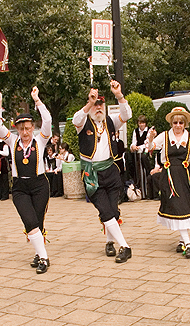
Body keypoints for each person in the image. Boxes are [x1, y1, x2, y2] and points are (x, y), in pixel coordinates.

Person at [0, 86, 52, 274]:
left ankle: (37, 251)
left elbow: (48, 120)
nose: (25, 132)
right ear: (17, 129)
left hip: (40, 184)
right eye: (21, 129)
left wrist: (37, 100)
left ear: (33, 127)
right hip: (20, 187)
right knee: (29, 220)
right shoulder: (12, 141)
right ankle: (44, 258)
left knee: (38, 221)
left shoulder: (41, 140)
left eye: (27, 128)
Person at [72, 80, 133, 263]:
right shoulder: (83, 123)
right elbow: (76, 119)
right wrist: (89, 102)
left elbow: (127, 114)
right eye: (95, 104)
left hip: (111, 171)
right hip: (92, 174)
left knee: (113, 210)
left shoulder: (110, 121)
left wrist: (119, 95)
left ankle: (109, 242)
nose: (98, 107)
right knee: (104, 210)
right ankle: (125, 246)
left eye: (100, 104)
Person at [147, 107, 190, 258]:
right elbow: (151, 148)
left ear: (185, 123)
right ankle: (187, 243)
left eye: (181, 122)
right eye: (175, 122)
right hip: (170, 177)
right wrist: (150, 138)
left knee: (185, 207)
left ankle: (183, 241)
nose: (178, 125)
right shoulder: (165, 136)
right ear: (171, 123)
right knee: (178, 207)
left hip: (185, 177)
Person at [129, 115, 151, 198]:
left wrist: (139, 147)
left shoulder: (149, 131)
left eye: (143, 123)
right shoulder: (135, 131)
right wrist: (133, 146)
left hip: (145, 152)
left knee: (145, 172)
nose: (141, 125)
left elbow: (147, 142)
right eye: (140, 123)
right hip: (137, 154)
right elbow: (134, 141)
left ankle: (146, 192)